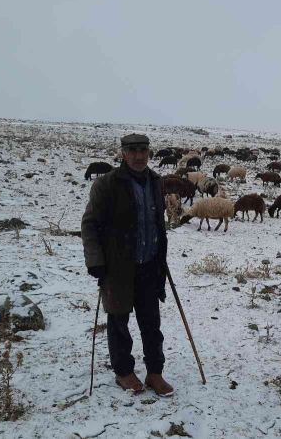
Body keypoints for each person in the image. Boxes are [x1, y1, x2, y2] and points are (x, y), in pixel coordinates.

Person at [81, 133, 174, 396]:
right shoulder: (108, 184)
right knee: (119, 321)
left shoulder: (156, 182)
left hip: (149, 265)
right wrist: (96, 261)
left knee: (151, 323)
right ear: (123, 153)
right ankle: (124, 372)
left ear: (149, 152)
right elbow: (90, 225)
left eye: (143, 150)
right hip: (117, 267)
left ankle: (155, 372)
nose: (138, 155)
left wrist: (161, 254)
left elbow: (157, 222)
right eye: (132, 150)